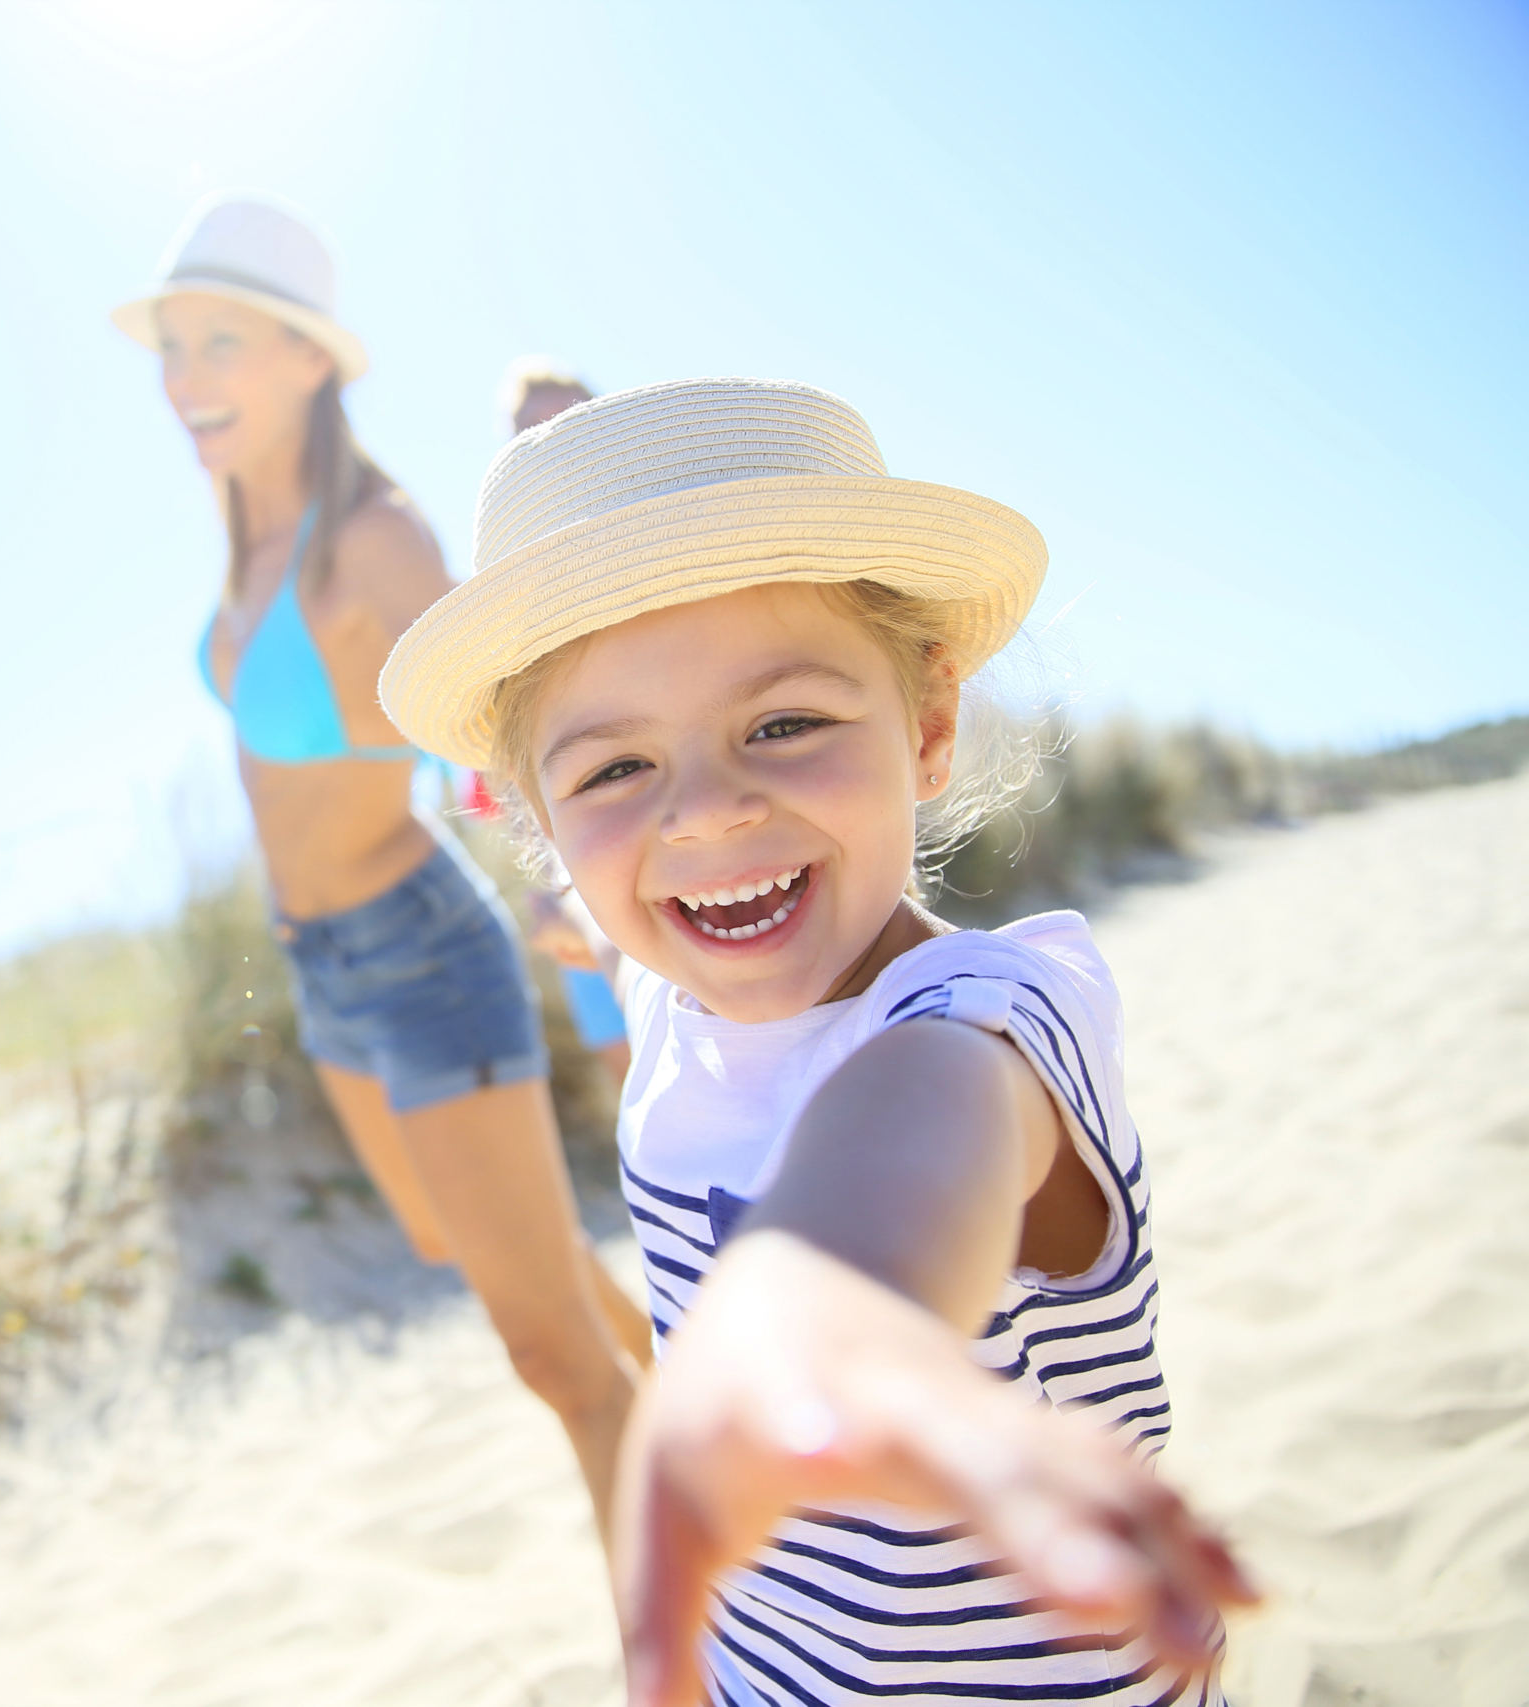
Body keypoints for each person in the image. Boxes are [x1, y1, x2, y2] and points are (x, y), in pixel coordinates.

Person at [378, 378, 1255, 1704]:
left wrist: (827, 1309)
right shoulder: (660, 969)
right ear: (544, 820)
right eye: (614, 768)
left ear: (930, 722)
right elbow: (603, 912)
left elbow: (913, 1142)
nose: (709, 816)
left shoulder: (990, 1014)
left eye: (784, 723)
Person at [113, 193, 651, 1532]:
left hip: (421, 944)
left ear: (310, 358)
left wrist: (582, 884)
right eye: (171, 347)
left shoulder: (374, 536)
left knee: (555, 1364)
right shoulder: (250, 531)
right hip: (321, 960)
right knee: (451, 1239)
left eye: (220, 343)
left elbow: (497, 731)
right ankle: (697, 1394)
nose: (186, 380)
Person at [497, 359, 633, 1087]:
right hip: (575, 870)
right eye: (531, 433)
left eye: (569, 420)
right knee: (633, 1064)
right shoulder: (505, 607)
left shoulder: (664, 542)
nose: (552, 441)